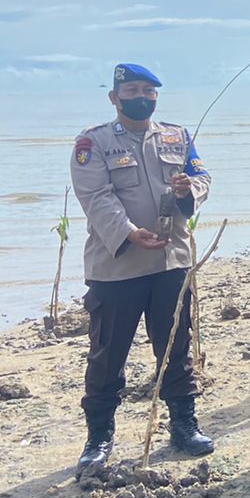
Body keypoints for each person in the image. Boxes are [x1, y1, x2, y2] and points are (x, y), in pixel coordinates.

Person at [70, 63, 214, 473]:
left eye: (149, 91)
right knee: (107, 354)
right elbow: (95, 196)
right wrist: (130, 233)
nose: (142, 97)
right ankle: (99, 438)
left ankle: (183, 426)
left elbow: (202, 175)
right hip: (117, 265)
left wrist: (190, 190)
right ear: (114, 97)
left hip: (171, 260)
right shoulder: (92, 142)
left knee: (175, 346)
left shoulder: (177, 135)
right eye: (132, 89)